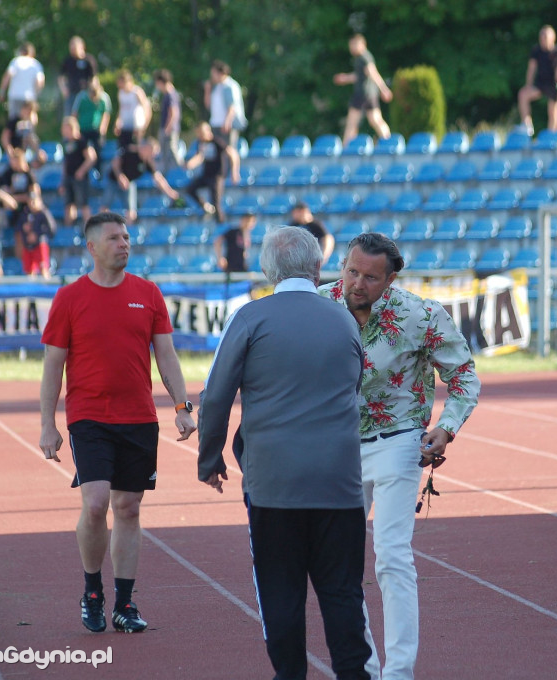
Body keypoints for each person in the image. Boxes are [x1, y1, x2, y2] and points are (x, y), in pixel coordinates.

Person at [197, 226, 372, 680]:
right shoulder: (344, 320)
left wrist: (210, 456)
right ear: (319, 269)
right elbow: (354, 388)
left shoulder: (251, 318)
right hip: (340, 483)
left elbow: (216, 395)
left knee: (280, 589)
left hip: (275, 483)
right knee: (342, 592)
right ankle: (354, 673)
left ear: (266, 269)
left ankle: (290, 674)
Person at [319, 232, 480, 680]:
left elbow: (464, 374)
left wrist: (446, 428)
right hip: (336, 449)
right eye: (351, 271)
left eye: (370, 277)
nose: (357, 284)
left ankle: (400, 671)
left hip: (398, 441)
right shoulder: (317, 306)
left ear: (390, 280)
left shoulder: (422, 315)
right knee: (342, 564)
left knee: (391, 555)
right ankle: (363, 665)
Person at [39, 211, 197, 634]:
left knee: (127, 507)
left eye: (127, 237)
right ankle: (92, 592)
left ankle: (124, 604)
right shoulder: (69, 299)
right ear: (92, 248)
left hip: (138, 418)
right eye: (114, 238)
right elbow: (53, 364)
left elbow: (166, 354)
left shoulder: (148, 294)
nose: (124, 244)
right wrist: (47, 424)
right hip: (89, 417)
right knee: (95, 504)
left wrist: (182, 405)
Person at [332, 34, 393, 145]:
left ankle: (346, 148)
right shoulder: (360, 58)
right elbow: (359, 76)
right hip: (369, 94)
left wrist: (384, 89)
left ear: (362, 44)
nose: (352, 47)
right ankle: (388, 141)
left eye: (354, 44)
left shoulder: (365, 57)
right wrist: (345, 78)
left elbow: (373, 73)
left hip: (363, 94)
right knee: (375, 119)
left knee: (352, 123)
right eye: (351, 45)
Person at [105, 137, 180, 224]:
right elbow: (115, 162)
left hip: (129, 183)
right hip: (113, 180)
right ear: (147, 148)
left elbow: (158, 178)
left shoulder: (147, 162)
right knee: (104, 207)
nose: (154, 155)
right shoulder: (131, 151)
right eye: (153, 152)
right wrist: (120, 176)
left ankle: (127, 233)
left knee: (132, 212)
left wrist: (170, 192)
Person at [183, 122, 239, 222]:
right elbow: (200, 156)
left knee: (216, 203)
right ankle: (205, 206)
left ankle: (221, 223)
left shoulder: (217, 142)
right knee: (190, 189)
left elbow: (233, 154)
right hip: (206, 175)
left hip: (217, 176)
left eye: (202, 133)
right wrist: (190, 164)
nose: (200, 136)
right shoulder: (201, 143)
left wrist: (235, 172)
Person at [517, 26, 557, 137]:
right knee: (523, 94)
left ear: (552, 38)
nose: (542, 39)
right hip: (540, 83)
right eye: (541, 36)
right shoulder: (536, 50)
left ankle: (552, 135)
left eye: (545, 36)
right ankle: (527, 125)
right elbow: (531, 68)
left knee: (553, 110)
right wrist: (528, 85)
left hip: (554, 84)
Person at [61, 116, 97, 227]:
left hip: (80, 179)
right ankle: (68, 232)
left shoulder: (82, 141)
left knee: (83, 205)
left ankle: (89, 230)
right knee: (69, 205)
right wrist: (63, 181)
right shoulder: (66, 143)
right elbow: (65, 163)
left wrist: (81, 171)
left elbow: (91, 157)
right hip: (69, 177)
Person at [204, 60, 247, 149]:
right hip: (216, 124)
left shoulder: (230, 86)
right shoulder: (216, 87)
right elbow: (209, 106)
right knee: (219, 154)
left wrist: (227, 122)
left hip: (227, 125)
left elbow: (232, 107)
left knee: (228, 150)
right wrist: (207, 91)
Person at [0, 42, 44, 123]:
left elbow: (7, 76)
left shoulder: (16, 61)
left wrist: (2, 91)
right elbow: (40, 82)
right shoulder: (36, 64)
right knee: (29, 121)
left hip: (15, 95)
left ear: (21, 51)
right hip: (29, 97)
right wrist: (36, 94)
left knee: (13, 121)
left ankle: (15, 135)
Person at [17, 192, 56, 277]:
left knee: (43, 269)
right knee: (29, 272)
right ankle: (31, 289)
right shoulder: (25, 213)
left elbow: (51, 229)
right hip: (27, 246)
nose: (32, 204)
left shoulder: (43, 213)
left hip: (40, 245)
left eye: (34, 201)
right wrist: (24, 229)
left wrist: (37, 235)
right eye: (30, 201)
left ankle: (46, 288)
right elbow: (19, 227)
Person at [72, 77, 112, 158]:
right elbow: (75, 114)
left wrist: (102, 133)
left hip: (96, 130)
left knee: (97, 155)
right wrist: (75, 130)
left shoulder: (104, 97)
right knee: (80, 155)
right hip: (82, 130)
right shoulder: (81, 96)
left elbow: (106, 115)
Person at [153, 69, 182, 174]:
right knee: (164, 155)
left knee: (171, 151)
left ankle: (181, 172)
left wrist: (167, 128)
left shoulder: (171, 95)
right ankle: (166, 176)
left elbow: (173, 113)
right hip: (167, 129)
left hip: (169, 129)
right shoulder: (167, 95)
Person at [59, 36, 97, 117]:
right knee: (69, 117)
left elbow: (93, 77)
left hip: (85, 94)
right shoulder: (68, 60)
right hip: (72, 93)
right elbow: (61, 77)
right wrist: (64, 89)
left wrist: (93, 91)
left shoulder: (89, 59)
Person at [113, 70, 151, 149]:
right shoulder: (120, 93)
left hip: (136, 127)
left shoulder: (137, 92)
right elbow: (121, 109)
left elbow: (147, 109)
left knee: (136, 149)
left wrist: (144, 125)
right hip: (125, 127)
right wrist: (117, 122)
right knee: (123, 149)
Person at [288, 200, 333, 266]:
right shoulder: (294, 225)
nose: (294, 215)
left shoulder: (315, 225)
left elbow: (328, 239)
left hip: (312, 258)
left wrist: (324, 255)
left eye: (296, 212)